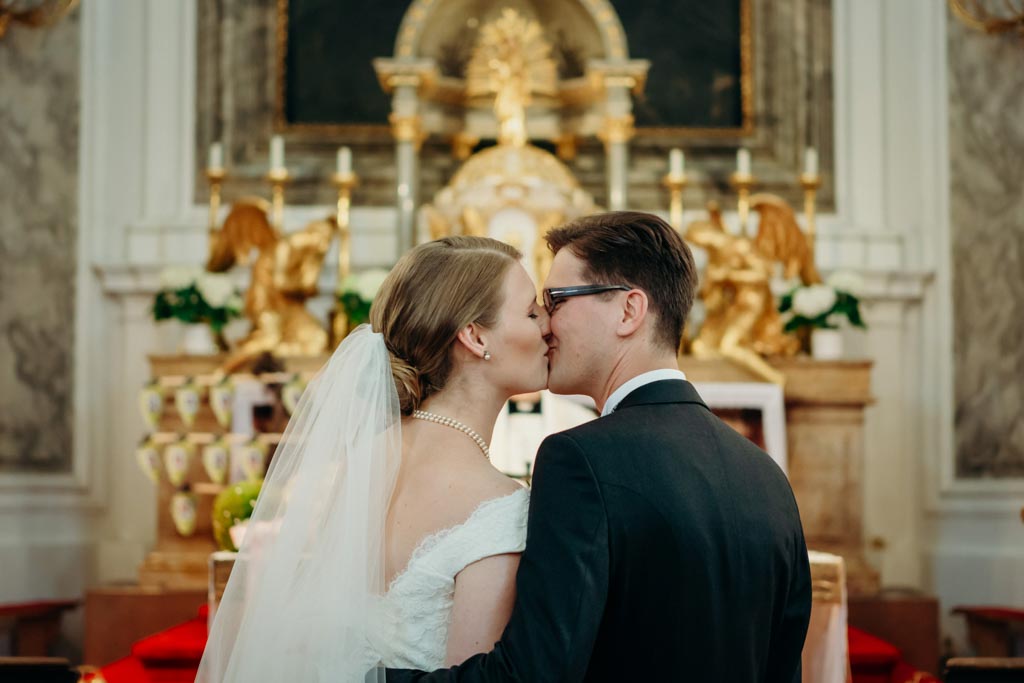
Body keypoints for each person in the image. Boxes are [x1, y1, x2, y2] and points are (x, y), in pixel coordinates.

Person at [387, 211, 812, 682]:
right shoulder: (768, 478)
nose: (546, 324)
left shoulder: (581, 461)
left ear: (628, 311)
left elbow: (536, 673)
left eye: (557, 300)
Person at [197, 236, 552, 681]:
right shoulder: (499, 508)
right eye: (531, 312)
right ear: (475, 336)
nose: (548, 325)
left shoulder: (357, 461)